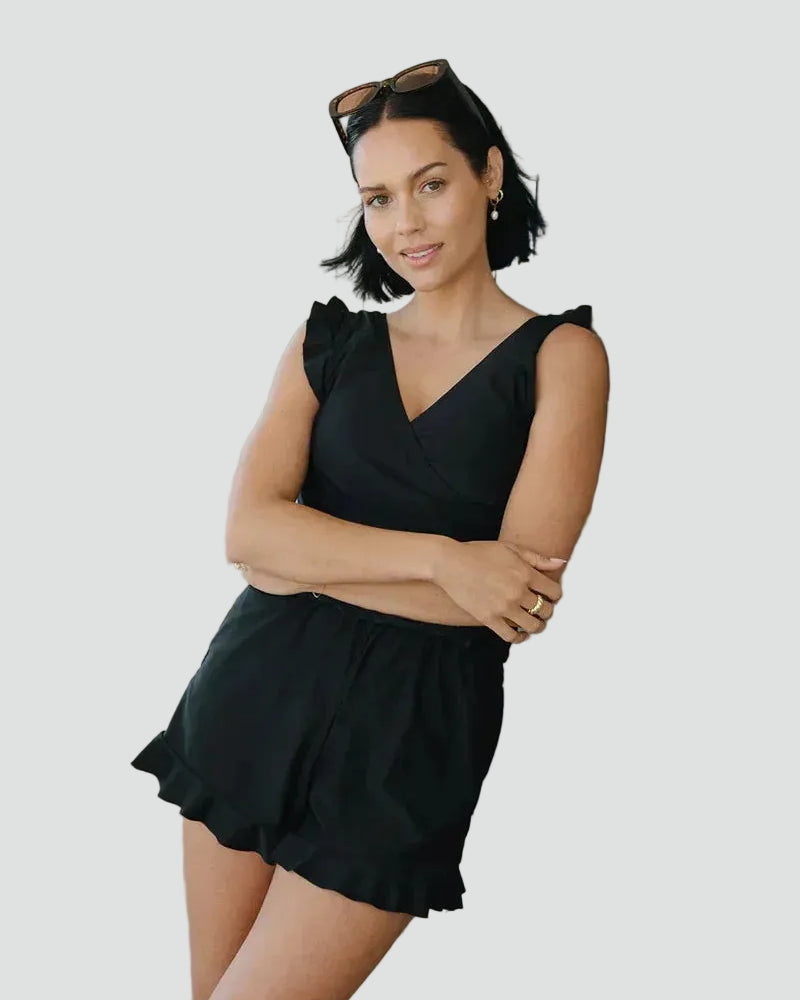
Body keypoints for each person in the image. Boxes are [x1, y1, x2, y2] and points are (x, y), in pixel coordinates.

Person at [131, 58, 610, 1000]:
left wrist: (303, 559)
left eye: (430, 184)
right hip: (252, 698)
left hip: (408, 743)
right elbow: (247, 535)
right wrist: (442, 559)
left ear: (489, 172)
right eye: (378, 199)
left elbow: (506, 602)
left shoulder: (563, 357)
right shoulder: (329, 343)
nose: (405, 224)